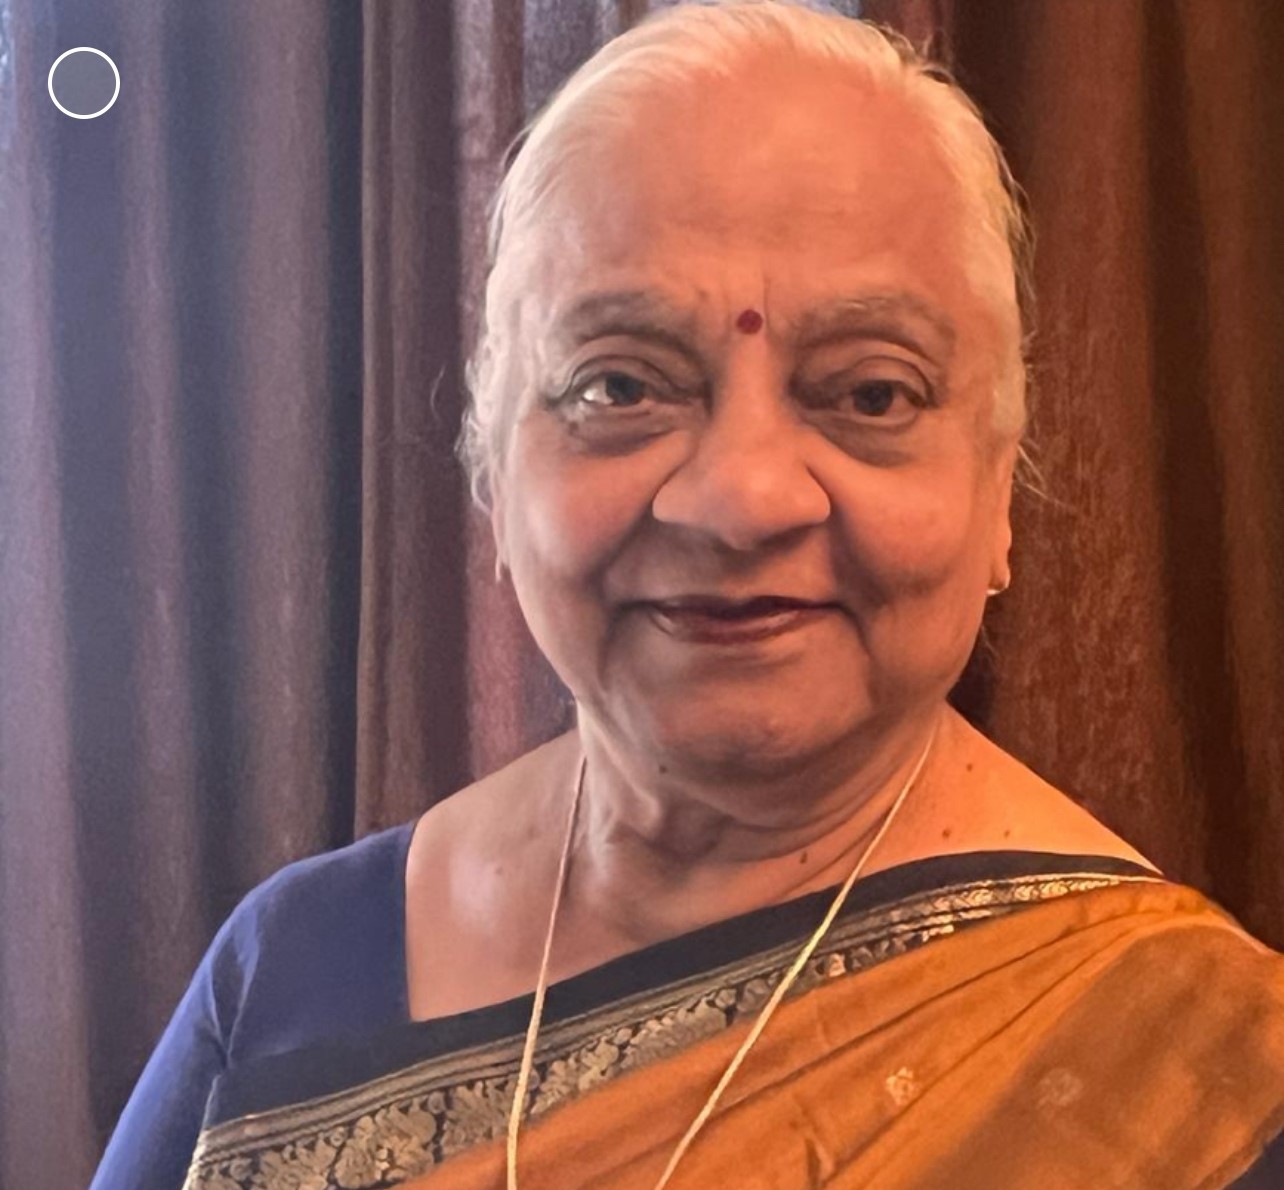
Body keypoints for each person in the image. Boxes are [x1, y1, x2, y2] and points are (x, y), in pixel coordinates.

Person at [90, 3, 1284, 1188]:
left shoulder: (1192, 1073)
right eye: (619, 386)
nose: (741, 498)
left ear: (999, 487)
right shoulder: (291, 971)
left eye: (871, 392)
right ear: (496, 474)